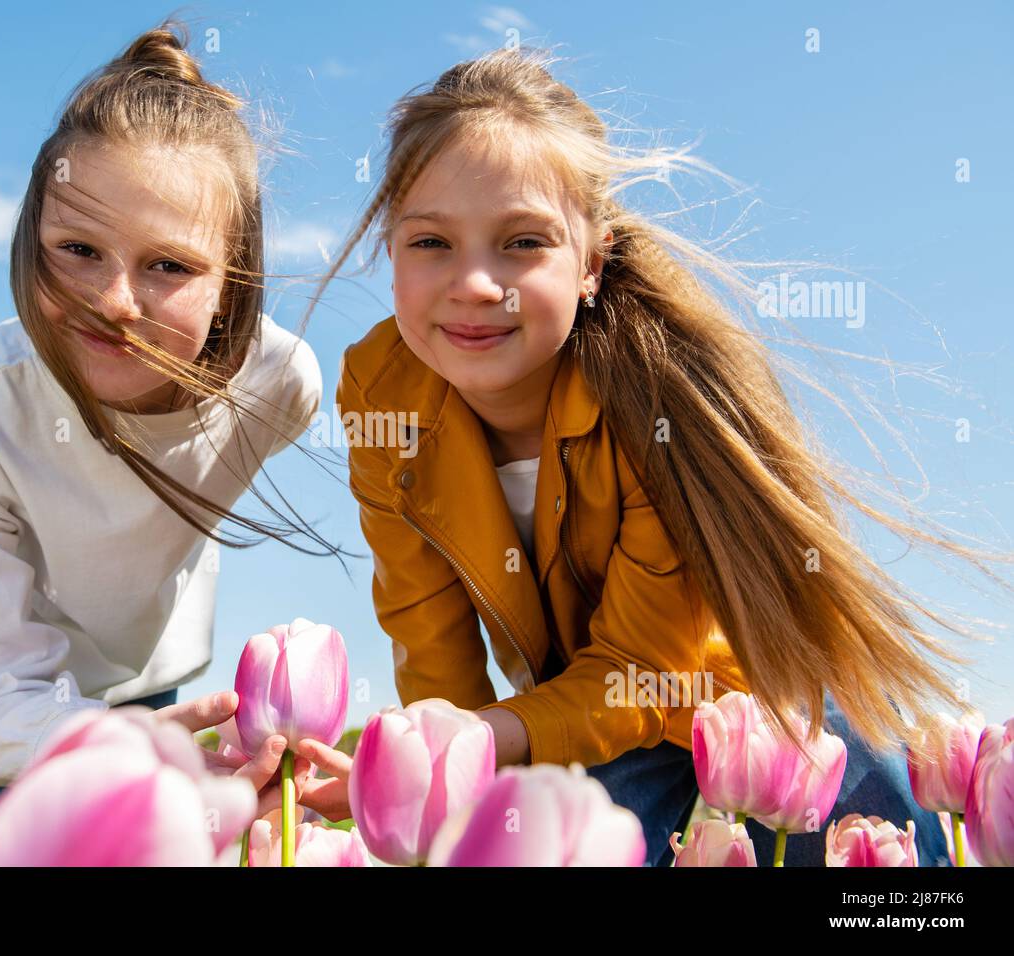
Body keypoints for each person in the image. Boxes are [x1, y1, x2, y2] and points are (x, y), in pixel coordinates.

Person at [294, 47, 1001, 866]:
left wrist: (481, 737)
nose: (475, 284)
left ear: (591, 263)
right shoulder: (383, 393)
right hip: (574, 729)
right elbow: (429, 643)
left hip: (743, 712)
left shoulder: (652, 396)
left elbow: (641, 671)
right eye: (430, 243)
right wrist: (426, 770)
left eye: (522, 242)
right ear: (390, 248)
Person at [0, 21, 322, 860]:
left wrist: (148, 741)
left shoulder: (279, 386)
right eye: (77, 250)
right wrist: (117, 752)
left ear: (232, 282)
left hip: (153, 679)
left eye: (170, 266)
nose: (115, 300)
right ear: (29, 240)